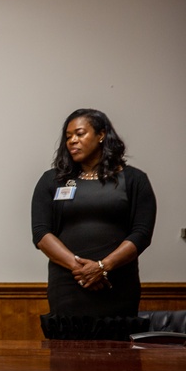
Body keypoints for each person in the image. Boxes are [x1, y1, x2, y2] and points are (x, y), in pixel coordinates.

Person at [31, 108, 157, 324]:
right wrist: (81, 269)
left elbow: (142, 233)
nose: (72, 141)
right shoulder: (52, 180)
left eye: (80, 134)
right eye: (68, 136)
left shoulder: (134, 179)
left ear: (101, 135)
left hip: (116, 283)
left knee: (120, 354)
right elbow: (41, 234)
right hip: (70, 284)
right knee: (67, 355)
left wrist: (103, 267)